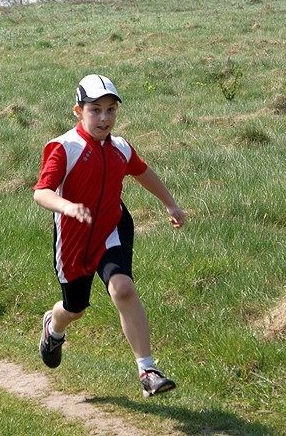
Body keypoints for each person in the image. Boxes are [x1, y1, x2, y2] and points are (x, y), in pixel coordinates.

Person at [33, 74, 185, 397]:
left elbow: (142, 172)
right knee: (74, 309)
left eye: (111, 110)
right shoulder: (64, 148)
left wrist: (170, 204)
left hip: (111, 228)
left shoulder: (120, 148)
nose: (104, 118)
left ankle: (147, 370)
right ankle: (53, 327)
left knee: (123, 288)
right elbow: (41, 193)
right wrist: (67, 207)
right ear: (78, 111)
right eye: (95, 110)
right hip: (73, 241)